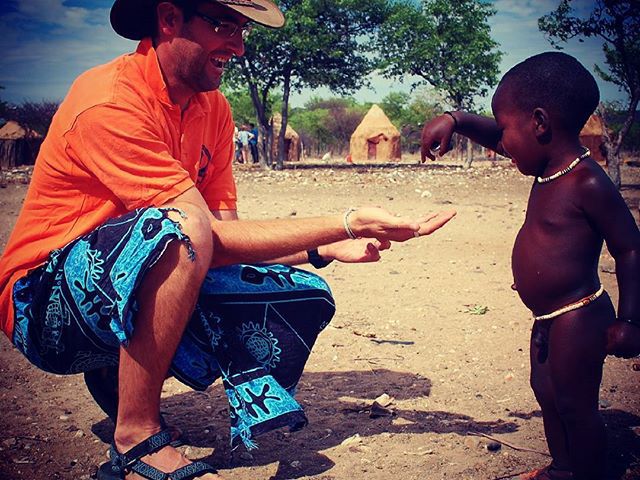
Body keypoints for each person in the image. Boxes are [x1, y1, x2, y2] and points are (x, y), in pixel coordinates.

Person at [0, 1, 456, 479]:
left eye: (242, 30)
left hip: (114, 287)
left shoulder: (212, 109)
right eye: (223, 26)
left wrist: (321, 251)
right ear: (169, 18)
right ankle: (135, 438)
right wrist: (345, 221)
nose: (237, 46)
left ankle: (116, 381)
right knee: (179, 229)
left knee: (302, 293)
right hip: (41, 305)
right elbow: (196, 233)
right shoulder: (109, 101)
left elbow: (221, 246)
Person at [421, 52, 640, 480]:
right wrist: (457, 120)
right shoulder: (546, 170)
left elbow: (631, 248)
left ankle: (592, 473)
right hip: (546, 317)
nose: (501, 142)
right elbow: (501, 140)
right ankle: (562, 469)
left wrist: (631, 319)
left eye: (505, 127)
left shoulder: (587, 181)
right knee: (547, 393)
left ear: (539, 124)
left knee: (576, 404)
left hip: (579, 313)